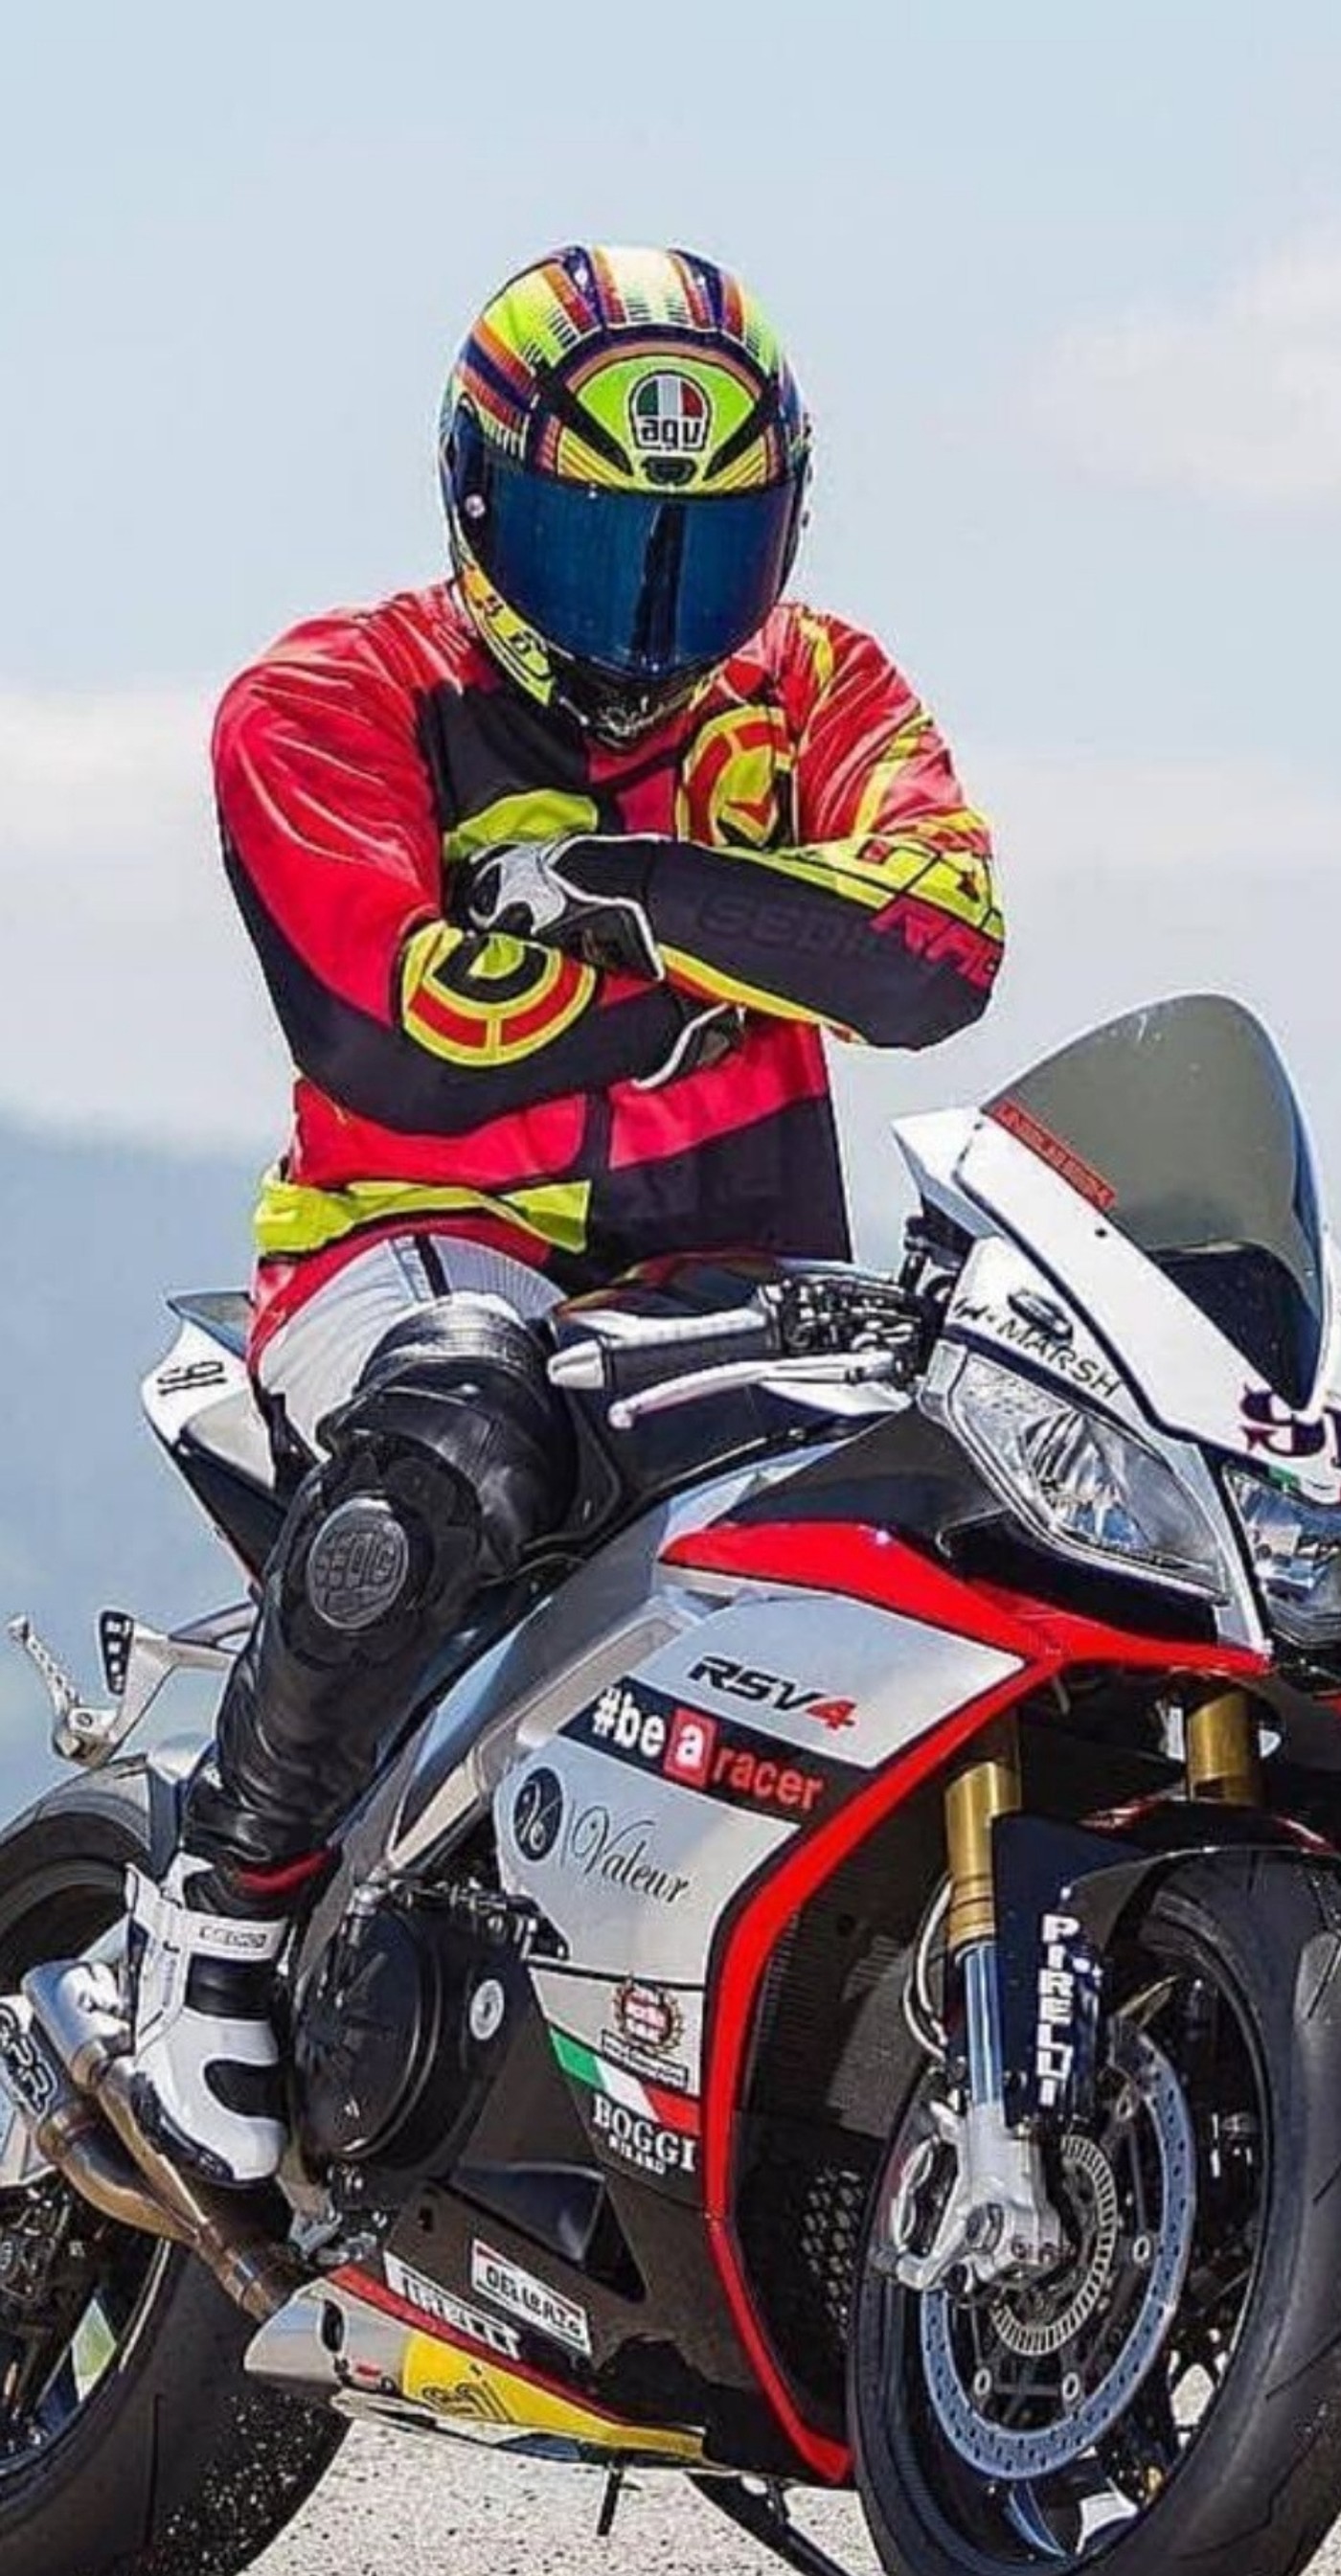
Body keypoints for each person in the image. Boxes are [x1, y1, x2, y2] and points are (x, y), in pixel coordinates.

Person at [122, 242, 1005, 2185]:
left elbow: (939, 952)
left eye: (705, 547)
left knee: (1003, 1499)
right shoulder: (327, 696)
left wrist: (622, 895)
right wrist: (765, 931)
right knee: (460, 1406)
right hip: (417, 1247)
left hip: (747, 1286)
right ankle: (223, 1903)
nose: (653, 611)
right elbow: (403, 1033)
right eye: (601, 545)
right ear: (477, 502)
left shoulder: (834, 684)